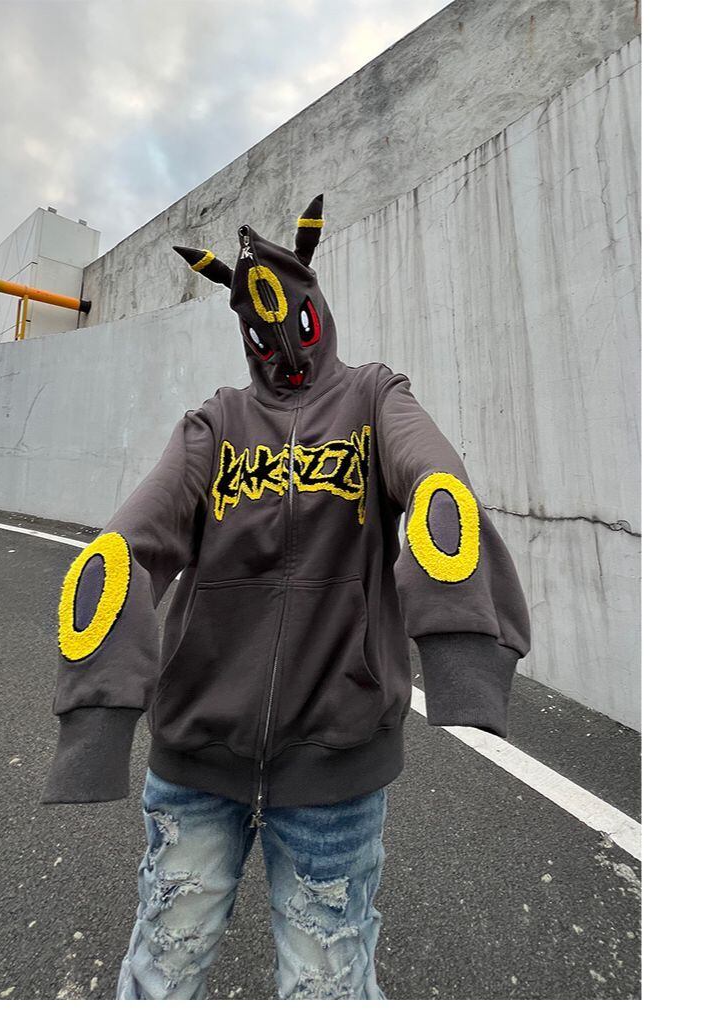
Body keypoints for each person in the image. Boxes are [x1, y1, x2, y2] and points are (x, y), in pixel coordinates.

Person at [40, 194, 531, 999]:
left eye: (290, 320)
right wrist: (96, 722)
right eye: (256, 331)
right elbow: (122, 551)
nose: (278, 344)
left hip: (335, 766)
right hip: (196, 761)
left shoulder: (375, 399)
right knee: (162, 972)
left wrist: (462, 651)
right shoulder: (214, 423)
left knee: (325, 988)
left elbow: (437, 484)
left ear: (315, 308)